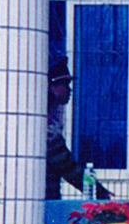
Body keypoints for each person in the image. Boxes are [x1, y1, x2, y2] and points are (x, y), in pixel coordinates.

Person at [45, 57, 112, 200]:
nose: (69, 90)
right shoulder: (46, 126)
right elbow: (67, 166)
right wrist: (100, 192)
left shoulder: (47, 119)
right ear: (52, 87)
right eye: (65, 84)